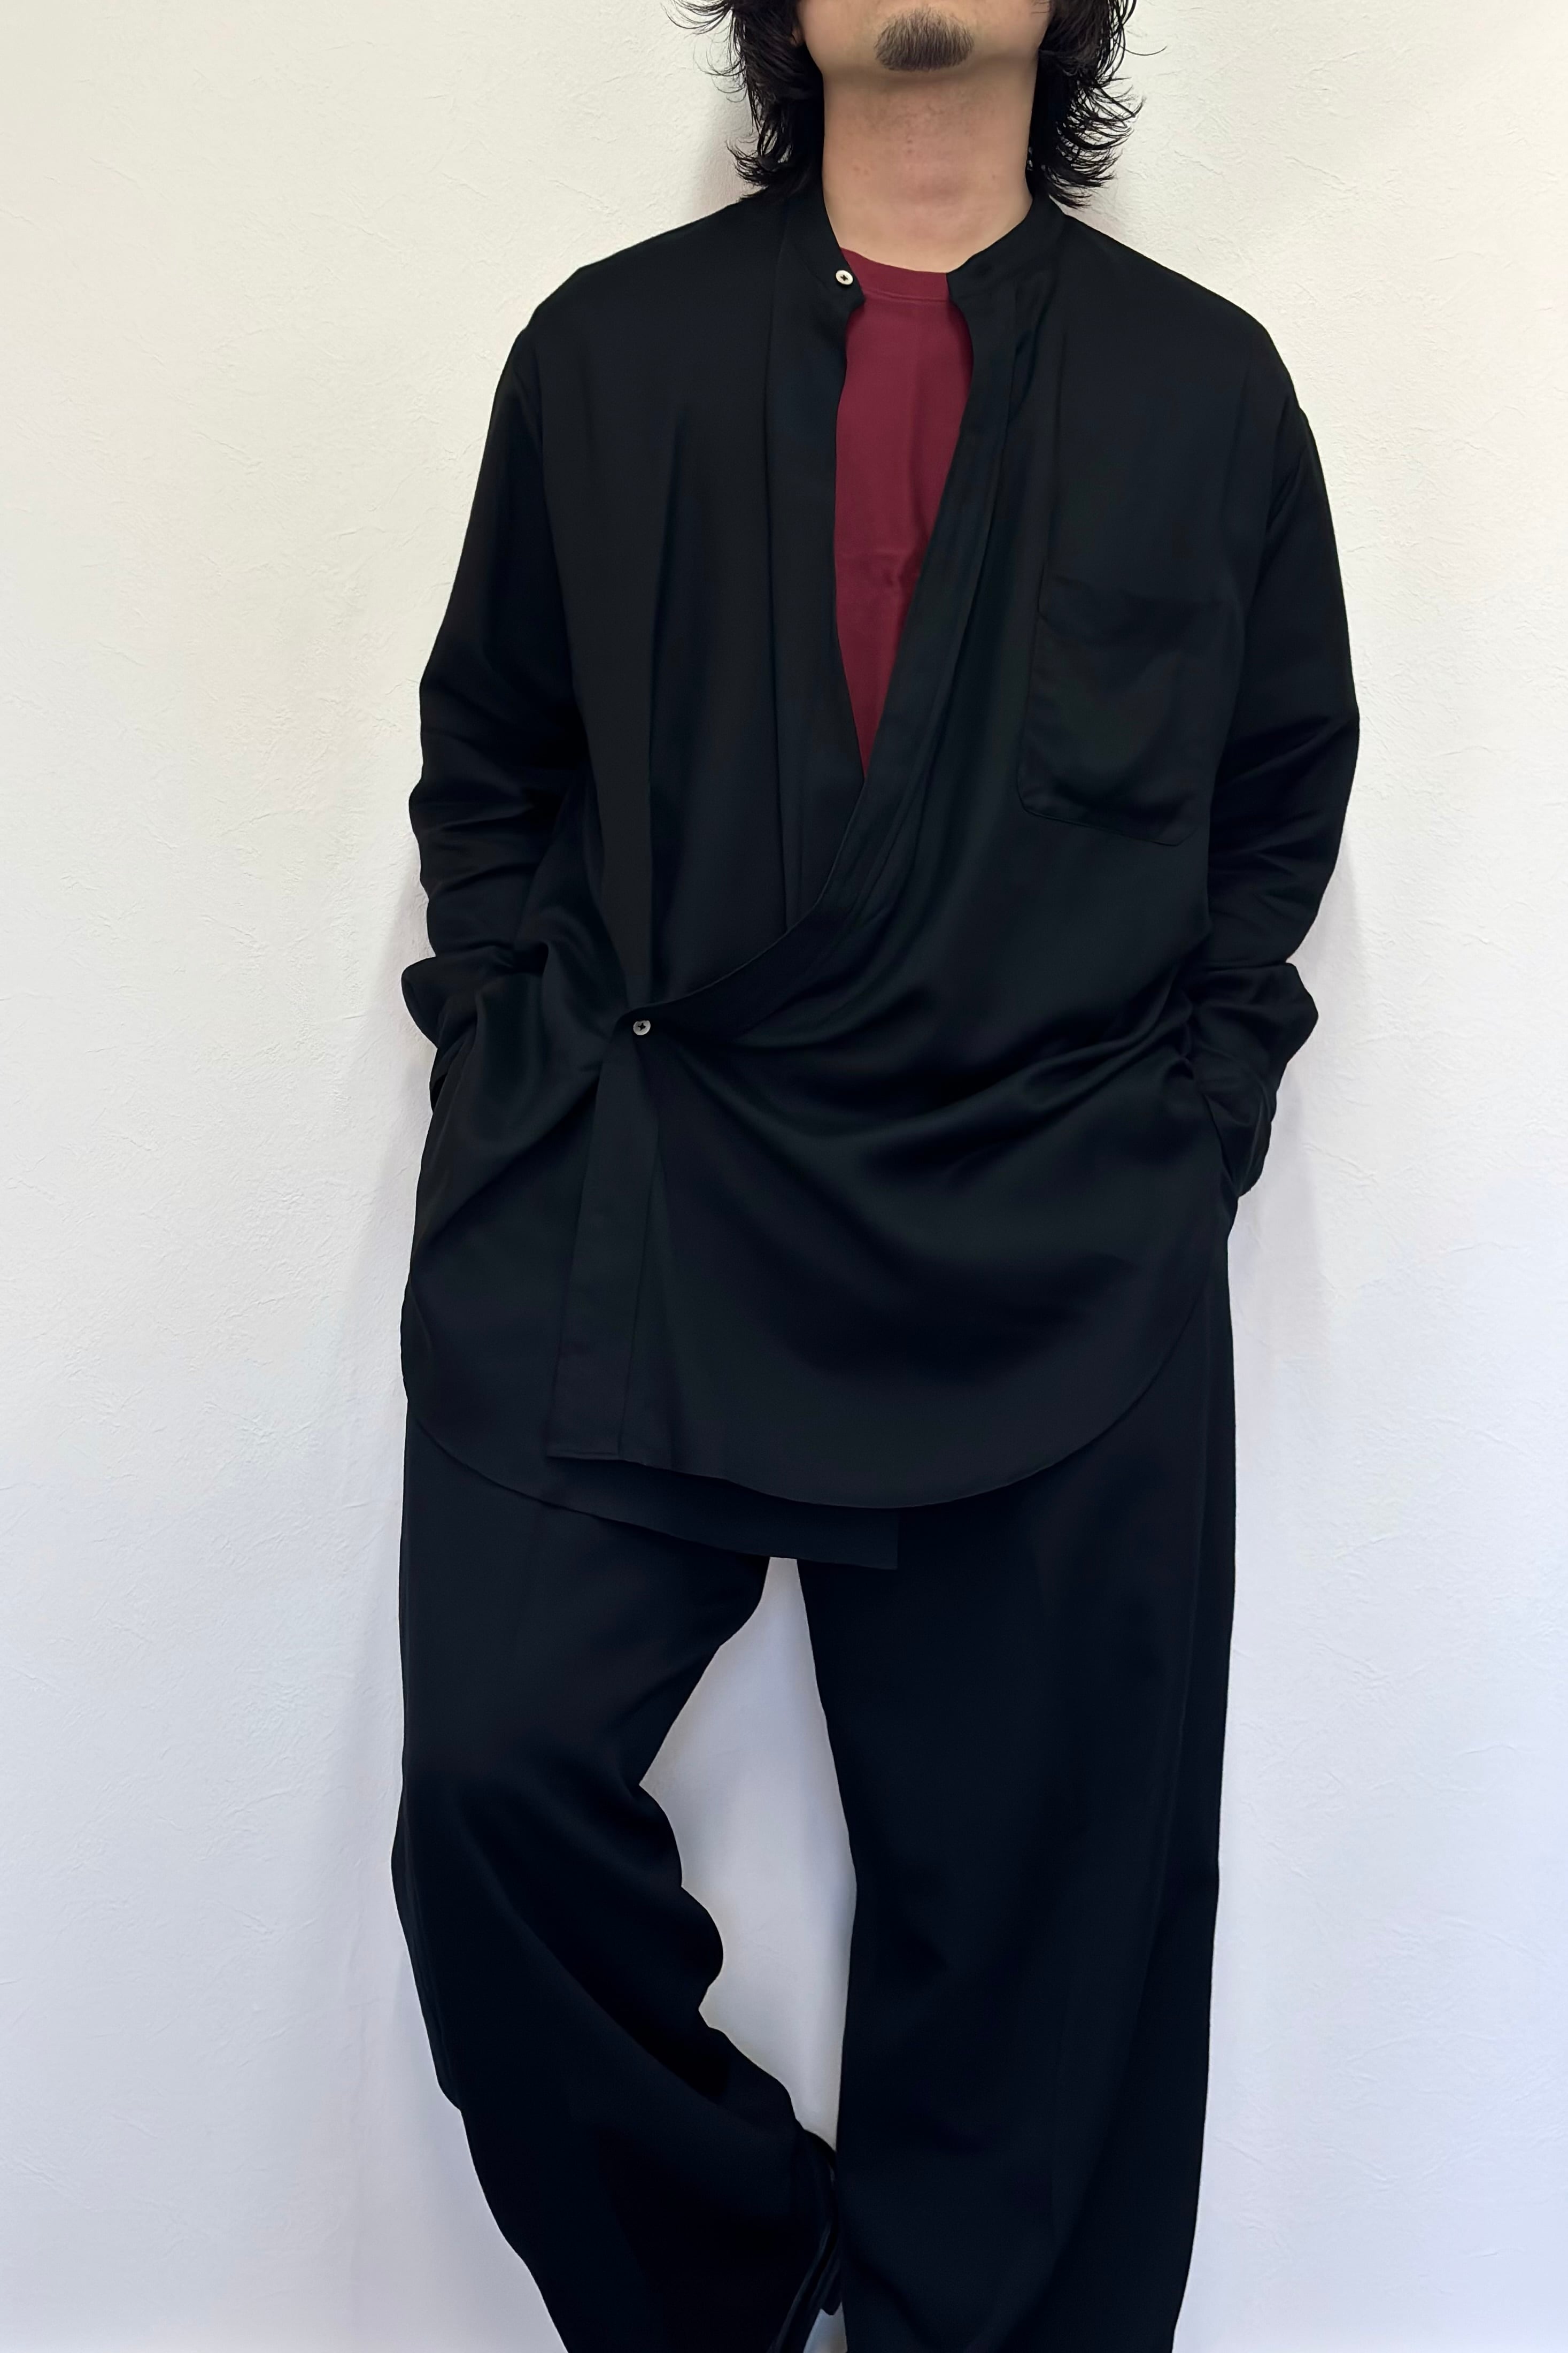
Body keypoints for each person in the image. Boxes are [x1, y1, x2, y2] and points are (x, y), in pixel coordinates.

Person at [389, 2, 1359, 2347]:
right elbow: (492, 754)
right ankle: (750, 2266)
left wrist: (1193, 1125)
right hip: (643, 1186)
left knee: (1056, 1928)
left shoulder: (1204, 391)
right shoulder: (608, 355)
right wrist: (508, 1057)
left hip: (1059, 1231)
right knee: (498, 1798)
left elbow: (1271, 803)